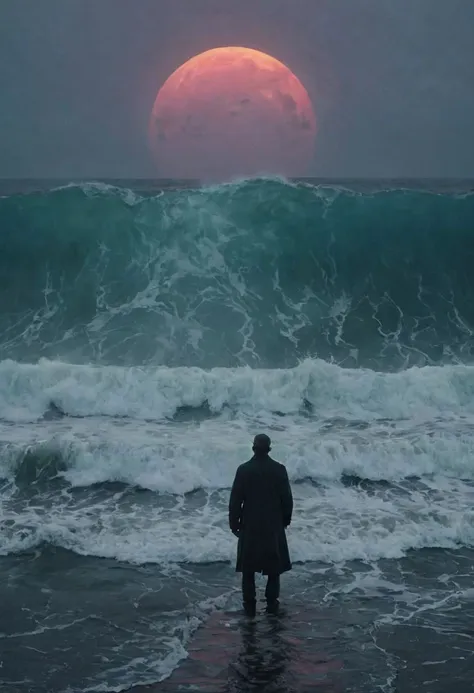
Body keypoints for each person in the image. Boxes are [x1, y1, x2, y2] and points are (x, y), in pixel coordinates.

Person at [228, 434, 293, 615]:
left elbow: (235, 501)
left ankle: (249, 605)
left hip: (250, 524)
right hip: (273, 524)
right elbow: (287, 499)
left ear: (253, 448)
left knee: (248, 568)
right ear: (269, 449)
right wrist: (285, 520)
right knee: (274, 568)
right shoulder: (279, 469)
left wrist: (234, 524)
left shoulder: (244, 470)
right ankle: (272, 605)